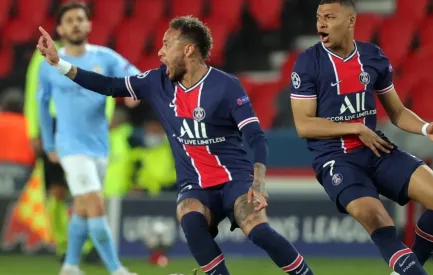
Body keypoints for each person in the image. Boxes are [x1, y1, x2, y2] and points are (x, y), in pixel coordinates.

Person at [37, 15, 315, 275]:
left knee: (257, 229)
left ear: (189, 50)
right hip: (194, 185)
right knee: (189, 217)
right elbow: (109, 85)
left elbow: (255, 135)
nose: (160, 52)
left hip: (234, 180)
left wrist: (259, 179)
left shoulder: (226, 86)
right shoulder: (157, 81)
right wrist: (60, 63)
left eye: (167, 45)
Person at [289, 1, 433, 274]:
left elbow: (398, 112)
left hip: (376, 149)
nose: (321, 23)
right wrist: (354, 127)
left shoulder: (372, 56)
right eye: (319, 17)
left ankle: (405, 269)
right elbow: (304, 125)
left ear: (351, 21)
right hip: (336, 159)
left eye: (330, 17)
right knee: (376, 217)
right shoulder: (308, 62)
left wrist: (426, 128)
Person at [36, 2, 140, 275]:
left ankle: (70, 266)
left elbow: (134, 76)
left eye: (80, 19)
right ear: (60, 28)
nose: (76, 24)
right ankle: (116, 269)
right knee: (95, 204)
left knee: (83, 207)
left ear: (89, 24)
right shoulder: (49, 63)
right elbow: (42, 107)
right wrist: (48, 143)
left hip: (99, 145)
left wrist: (132, 92)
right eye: (69, 20)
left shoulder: (105, 57)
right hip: (70, 146)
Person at [25, 36, 101, 265]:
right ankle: (62, 244)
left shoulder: (93, 56)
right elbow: (33, 93)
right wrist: (33, 131)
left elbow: (99, 93)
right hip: (54, 126)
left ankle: (88, 246)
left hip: (82, 128)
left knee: (84, 190)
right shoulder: (43, 54)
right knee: (57, 191)